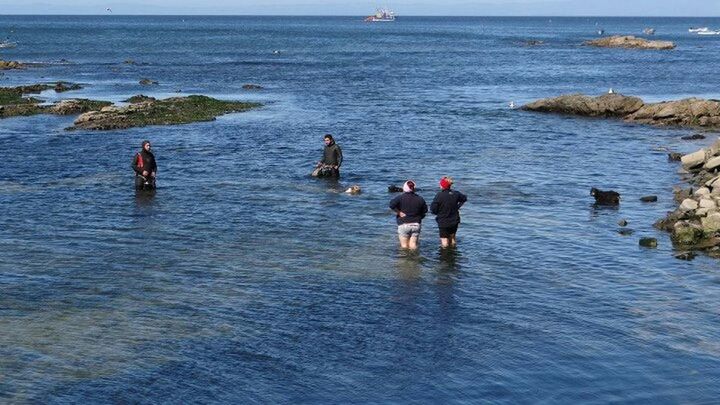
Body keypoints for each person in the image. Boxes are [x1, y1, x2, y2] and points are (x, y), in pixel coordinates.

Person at [389, 180, 428, 250]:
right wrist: (419, 217)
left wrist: (399, 212)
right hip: (416, 224)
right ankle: (414, 259)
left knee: (404, 246)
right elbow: (425, 210)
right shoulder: (420, 198)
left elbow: (391, 205)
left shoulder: (400, 197)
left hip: (404, 224)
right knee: (413, 245)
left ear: (404, 188)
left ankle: (405, 260)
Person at [430, 176, 467, 248]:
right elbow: (464, 198)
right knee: (452, 238)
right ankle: (453, 253)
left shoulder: (439, 195)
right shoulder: (456, 193)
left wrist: (438, 212)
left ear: (442, 186)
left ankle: (445, 257)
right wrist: (458, 206)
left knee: (444, 241)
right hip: (454, 220)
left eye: (440, 184)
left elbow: (433, 209)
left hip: (443, 221)